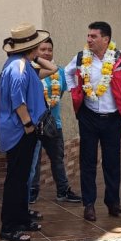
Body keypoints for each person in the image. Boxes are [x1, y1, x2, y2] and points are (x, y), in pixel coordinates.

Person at [65, 22, 121, 222]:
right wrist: (75, 91)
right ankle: (88, 205)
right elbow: (67, 72)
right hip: (88, 116)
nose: (89, 39)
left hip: (112, 117)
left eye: (93, 36)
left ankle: (113, 202)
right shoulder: (82, 57)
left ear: (106, 39)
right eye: (88, 36)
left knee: (112, 162)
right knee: (87, 161)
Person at [0, 24, 52, 241]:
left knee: (21, 180)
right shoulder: (18, 66)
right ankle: (9, 227)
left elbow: (53, 67)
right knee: (15, 180)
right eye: (37, 45)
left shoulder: (22, 63)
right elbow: (17, 99)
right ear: (32, 46)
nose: (41, 47)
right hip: (21, 131)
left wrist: (34, 55)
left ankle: (21, 218)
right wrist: (28, 124)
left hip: (23, 130)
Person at [29, 37, 81, 203]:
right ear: (36, 51)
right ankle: (32, 191)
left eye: (49, 49)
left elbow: (60, 93)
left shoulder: (60, 71)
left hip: (53, 123)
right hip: (34, 124)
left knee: (57, 158)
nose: (46, 52)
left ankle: (63, 191)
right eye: (42, 49)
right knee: (34, 160)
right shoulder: (30, 70)